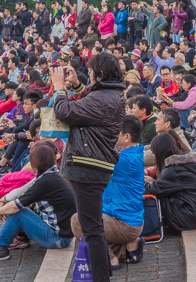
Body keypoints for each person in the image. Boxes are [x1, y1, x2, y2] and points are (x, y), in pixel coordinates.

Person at [50, 53, 126, 282]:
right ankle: (105, 271)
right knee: (93, 226)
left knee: (91, 230)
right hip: (92, 165)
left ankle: (101, 277)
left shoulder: (104, 98)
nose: (89, 74)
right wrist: (76, 84)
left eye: (91, 71)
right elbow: (87, 104)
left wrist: (58, 88)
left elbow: (66, 111)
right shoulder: (109, 94)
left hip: (88, 167)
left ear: (100, 74)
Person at [0, 141, 76, 261]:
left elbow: (16, 206)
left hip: (58, 239)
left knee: (18, 212)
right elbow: (23, 190)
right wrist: (3, 200)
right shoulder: (50, 176)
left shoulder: (46, 181)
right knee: (17, 207)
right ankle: (19, 238)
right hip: (63, 236)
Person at [72, 115, 145, 267]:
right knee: (94, 235)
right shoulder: (131, 153)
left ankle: (109, 260)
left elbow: (91, 162)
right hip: (119, 216)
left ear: (126, 137)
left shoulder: (124, 160)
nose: (110, 135)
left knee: (79, 221)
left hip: (124, 222)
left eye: (114, 132)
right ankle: (129, 247)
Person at [144, 132, 196, 232]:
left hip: (187, 218)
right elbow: (164, 185)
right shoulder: (180, 164)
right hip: (192, 214)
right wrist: (151, 181)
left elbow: (152, 190)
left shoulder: (174, 169)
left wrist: (140, 181)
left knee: (153, 197)